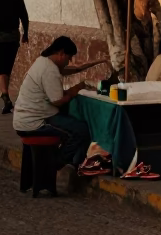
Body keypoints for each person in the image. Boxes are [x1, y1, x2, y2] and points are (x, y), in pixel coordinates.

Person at [13, 36, 111, 175]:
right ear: (61, 53)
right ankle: (55, 165)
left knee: (73, 125)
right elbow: (57, 101)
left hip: (26, 119)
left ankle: (72, 163)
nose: (69, 61)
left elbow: (77, 69)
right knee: (81, 130)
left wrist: (101, 60)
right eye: (68, 57)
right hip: (35, 123)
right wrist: (75, 89)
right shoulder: (50, 70)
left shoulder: (43, 62)